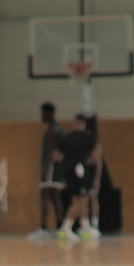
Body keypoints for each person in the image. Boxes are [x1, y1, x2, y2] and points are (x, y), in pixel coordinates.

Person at [54, 113, 103, 243]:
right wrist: (84, 161)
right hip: (80, 171)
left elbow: (56, 156)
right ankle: (65, 227)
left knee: (81, 199)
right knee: (80, 200)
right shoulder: (88, 137)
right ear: (84, 124)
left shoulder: (67, 137)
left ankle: (85, 227)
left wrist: (67, 162)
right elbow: (96, 157)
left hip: (68, 171)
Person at [30, 102, 65, 239]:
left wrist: (46, 168)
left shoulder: (52, 130)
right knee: (55, 197)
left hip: (51, 168)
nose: (42, 116)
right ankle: (59, 227)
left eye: (43, 113)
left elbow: (52, 151)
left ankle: (44, 228)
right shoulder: (57, 128)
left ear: (48, 113)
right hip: (55, 168)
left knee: (46, 196)